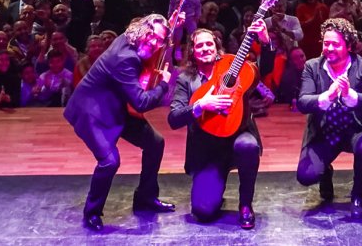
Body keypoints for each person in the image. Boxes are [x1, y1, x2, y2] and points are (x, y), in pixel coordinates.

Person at [63, 14, 176, 231]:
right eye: (151, 36)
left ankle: (145, 197)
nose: (154, 43)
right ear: (142, 30)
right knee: (109, 161)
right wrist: (163, 84)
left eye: (159, 39)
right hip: (92, 113)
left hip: (116, 107)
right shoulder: (125, 58)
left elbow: (156, 26)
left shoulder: (129, 36)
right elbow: (142, 103)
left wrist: (170, 22)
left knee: (155, 142)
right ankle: (92, 212)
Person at [168, 21, 269, 229]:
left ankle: (245, 204)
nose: (205, 49)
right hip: (208, 150)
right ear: (193, 52)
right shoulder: (186, 80)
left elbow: (263, 70)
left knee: (248, 146)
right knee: (203, 211)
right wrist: (200, 105)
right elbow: (174, 118)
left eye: (209, 44)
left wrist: (265, 41)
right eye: (199, 46)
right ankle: (214, 186)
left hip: (238, 136)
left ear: (216, 47)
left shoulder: (233, 66)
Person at [295, 17, 362, 220]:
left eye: (335, 43)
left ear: (349, 45)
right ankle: (325, 172)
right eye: (326, 43)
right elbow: (303, 102)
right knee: (305, 176)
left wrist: (351, 96)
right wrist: (328, 96)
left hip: (355, 129)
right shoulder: (312, 66)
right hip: (325, 131)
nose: (329, 48)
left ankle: (357, 195)